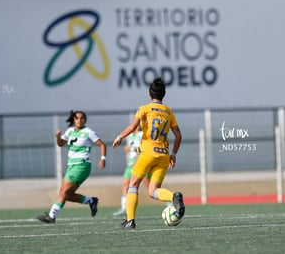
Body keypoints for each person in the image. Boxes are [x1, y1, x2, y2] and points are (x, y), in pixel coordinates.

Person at [112, 77, 184, 229]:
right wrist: (174, 154)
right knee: (153, 190)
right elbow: (178, 135)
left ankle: (130, 221)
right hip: (163, 155)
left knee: (133, 184)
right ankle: (173, 196)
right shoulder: (168, 112)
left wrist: (119, 137)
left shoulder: (144, 109)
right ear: (164, 94)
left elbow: (133, 127)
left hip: (147, 153)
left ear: (149, 93)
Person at [37, 110, 106, 223]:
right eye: (77, 118)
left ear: (85, 120)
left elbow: (102, 144)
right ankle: (91, 201)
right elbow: (60, 144)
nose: (80, 120)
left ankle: (51, 216)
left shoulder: (88, 132)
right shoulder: (69, 131)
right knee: (66, 194)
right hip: (71, 166)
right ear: (73, 120)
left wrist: (103, 158)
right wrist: (58, 137)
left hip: (82, 165)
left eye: (82, 118)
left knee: (64, 192)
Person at [113, 125, 151, 216]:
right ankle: (123, 208)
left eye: (139, 124)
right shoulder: (130, 136)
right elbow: (128, 147)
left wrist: (132, 149)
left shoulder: (143, 134)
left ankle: (168, 201)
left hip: (141, 163)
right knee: (125, 184)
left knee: (149, 185)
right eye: (136, 124)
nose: (137, 126)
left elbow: (144, 148)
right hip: (131, 164)